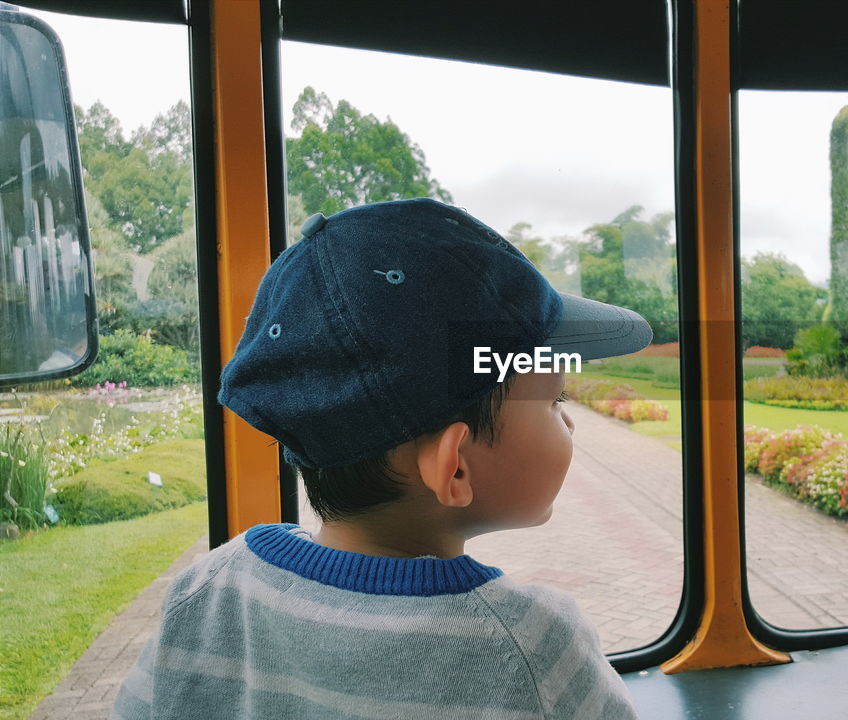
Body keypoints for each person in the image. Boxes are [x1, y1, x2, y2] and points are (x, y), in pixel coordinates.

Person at [111, 198, 651, 720]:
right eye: (554, 399)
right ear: (454, 466)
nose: (570, 418)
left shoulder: (207, 591)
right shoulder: (535, 649)